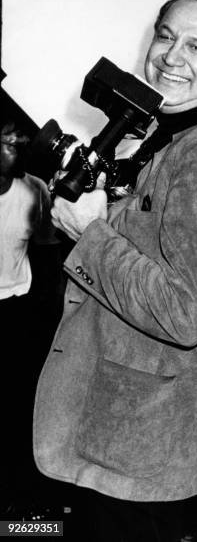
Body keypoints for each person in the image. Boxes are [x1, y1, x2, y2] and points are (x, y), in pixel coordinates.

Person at [33, 0, 197, 541]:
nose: (171, 57)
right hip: (126, 432)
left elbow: (184, 312)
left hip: (143, 443)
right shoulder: (174, 137)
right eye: (166, 37)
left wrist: (91, 233)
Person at [0, 119, 59, 513]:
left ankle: (23, 513)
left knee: (18, 412)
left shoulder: (34, 190)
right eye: (6, 141)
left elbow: (48, 253)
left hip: (15, 311)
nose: (18, 146)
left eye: (19, 139)